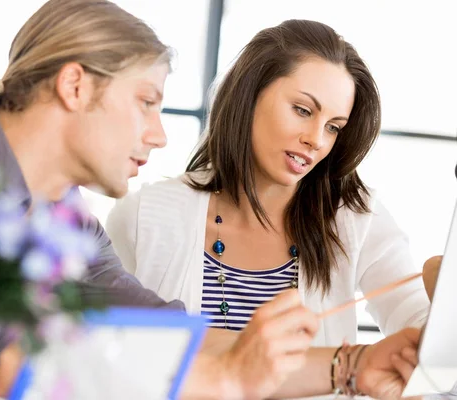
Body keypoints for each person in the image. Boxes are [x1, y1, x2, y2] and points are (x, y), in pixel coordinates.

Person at [0, 1, 419, 399]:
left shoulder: (65, 219)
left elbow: (166, 335)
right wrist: (226, 384)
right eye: (146, 102)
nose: (159, 133)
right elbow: (6, 360)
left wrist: (350, 366)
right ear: (76, 86)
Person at [106, 19, 430, 345]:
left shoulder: (357, 220)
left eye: (333, 127)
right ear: (250, 93)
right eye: (303, 110)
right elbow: (102, 354)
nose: (316, 139)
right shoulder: (143, 216)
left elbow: (422, 330)